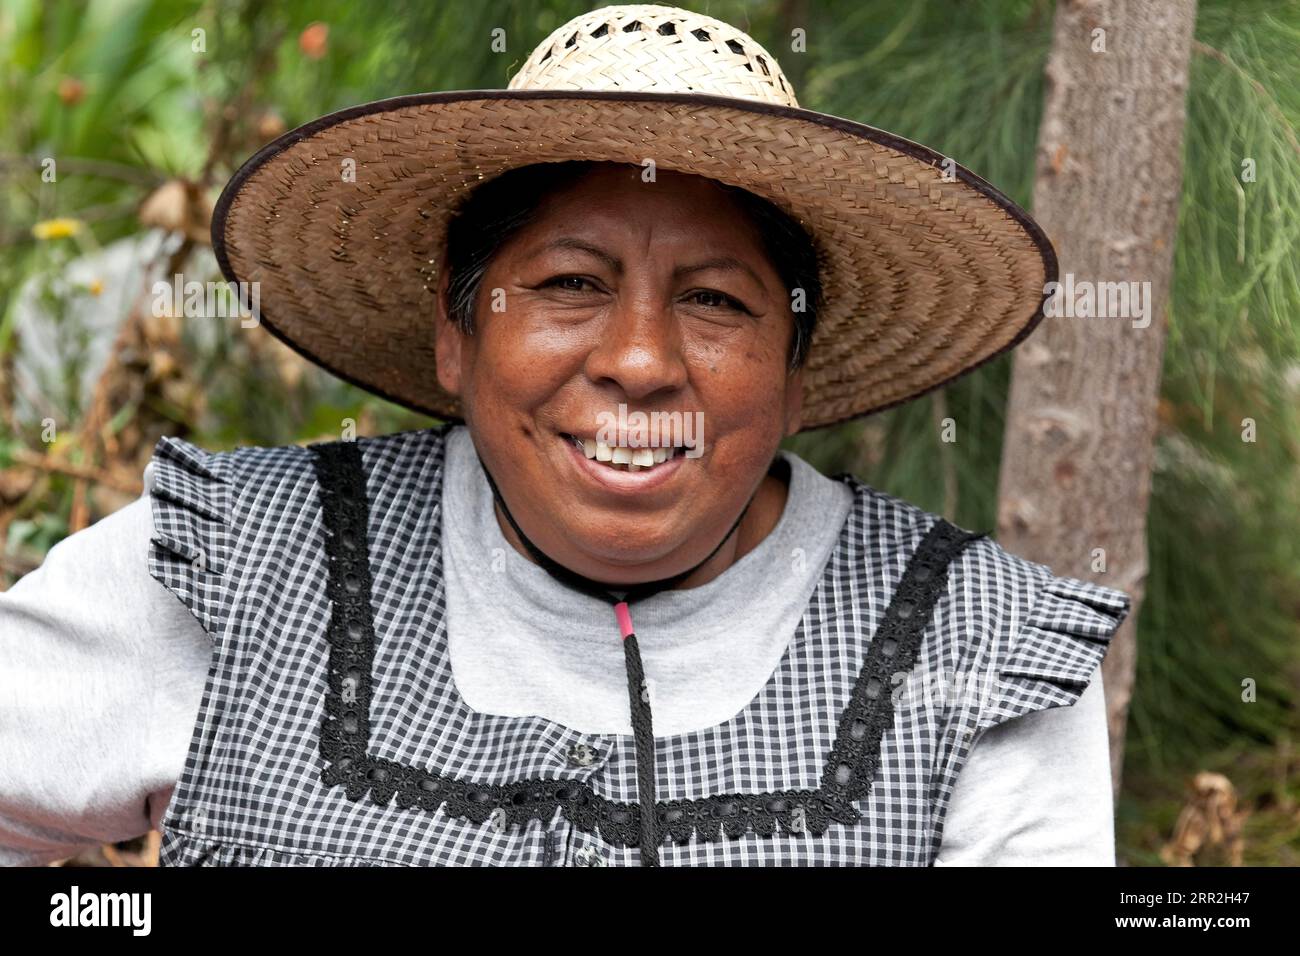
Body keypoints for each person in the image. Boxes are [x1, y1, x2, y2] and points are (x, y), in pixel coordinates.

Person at [0, 3, 1130, 867]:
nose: (639, 361)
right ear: (456, 331)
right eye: (571, 282)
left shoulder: (972, 655)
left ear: (796, 374)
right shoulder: (243, 565)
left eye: (717, 301)